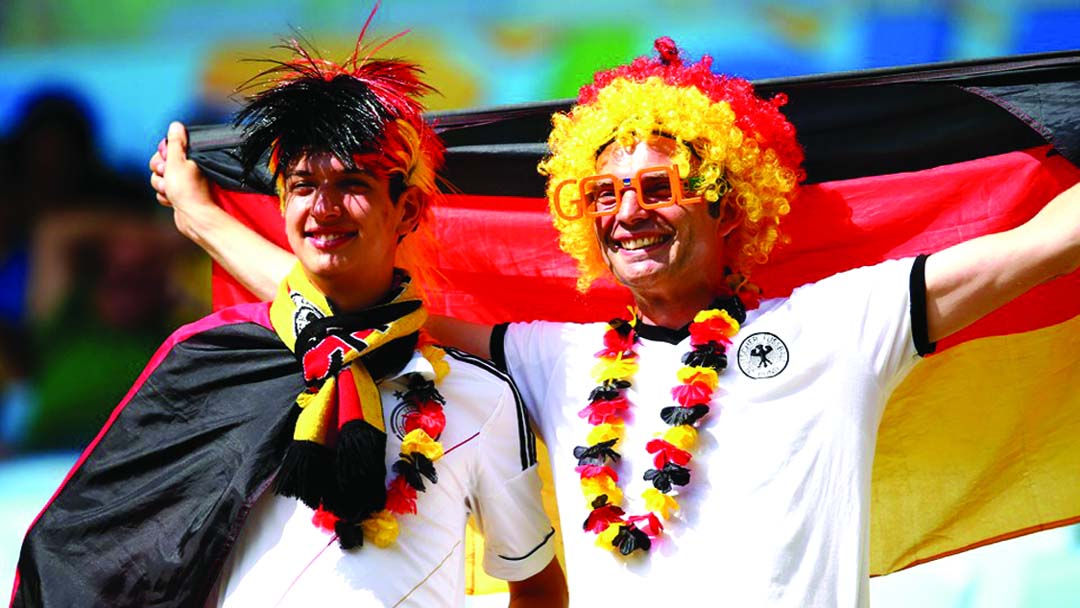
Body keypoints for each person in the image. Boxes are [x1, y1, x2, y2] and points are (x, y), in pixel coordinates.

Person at [149, 39, 1080, 606]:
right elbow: (348, 303)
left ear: (726, 206)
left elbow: (1039, 246)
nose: (627, 211)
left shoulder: (846, 323)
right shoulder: (560, 357)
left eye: (657, 187)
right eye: (603, 192)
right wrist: (201, 219)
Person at [11, 27, 566, 608]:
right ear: (282, 204)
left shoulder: (482, 395)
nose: (323, 207)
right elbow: (95, 551)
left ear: (407, 209)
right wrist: (199, 215)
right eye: (303, 185)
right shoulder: (214, 357)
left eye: (352, 184)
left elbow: (538, 588)